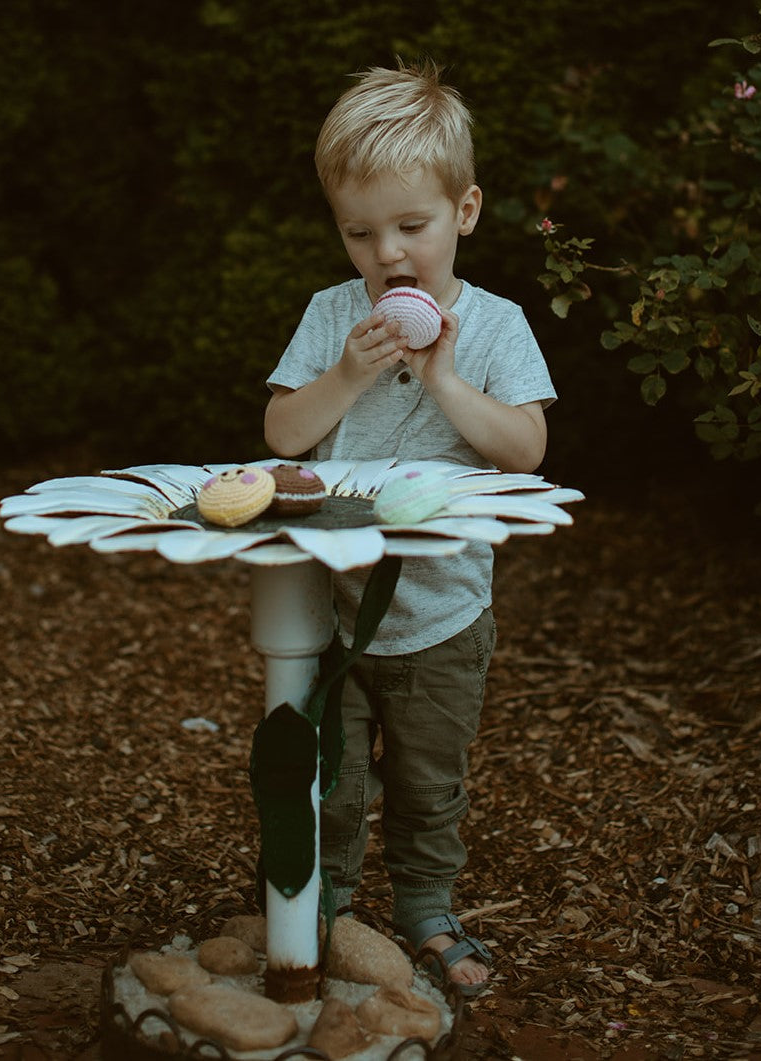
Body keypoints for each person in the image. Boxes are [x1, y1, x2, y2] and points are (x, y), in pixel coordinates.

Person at [263, 60, 556, 997]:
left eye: (410, 227)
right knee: (334, 781)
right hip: (334, 611)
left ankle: (426, 906)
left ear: (465, 211)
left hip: (443, 615)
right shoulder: (331, 318)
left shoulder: (498, 325)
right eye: (360, 233)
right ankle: (328, 906)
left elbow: (526, 450)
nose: (387, 255)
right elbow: (280, 433)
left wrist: (445, 381)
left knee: (430, 782)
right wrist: (346, 377)